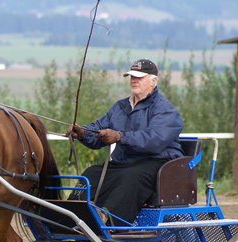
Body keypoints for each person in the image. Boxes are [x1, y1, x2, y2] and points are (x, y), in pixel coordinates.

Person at [66, 58, 184, 226]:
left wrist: (120, 136)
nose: (134, 80)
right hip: (125, 163)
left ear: (153, 81)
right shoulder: (120, 107)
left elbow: (155, 140)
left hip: (157, 163)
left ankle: (108, 221)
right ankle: (71, 216)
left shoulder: (165, 110)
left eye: (139, 77)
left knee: (131, 177)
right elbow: (98, 129)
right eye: (131, 77)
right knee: (92, 173)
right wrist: (83, 133)